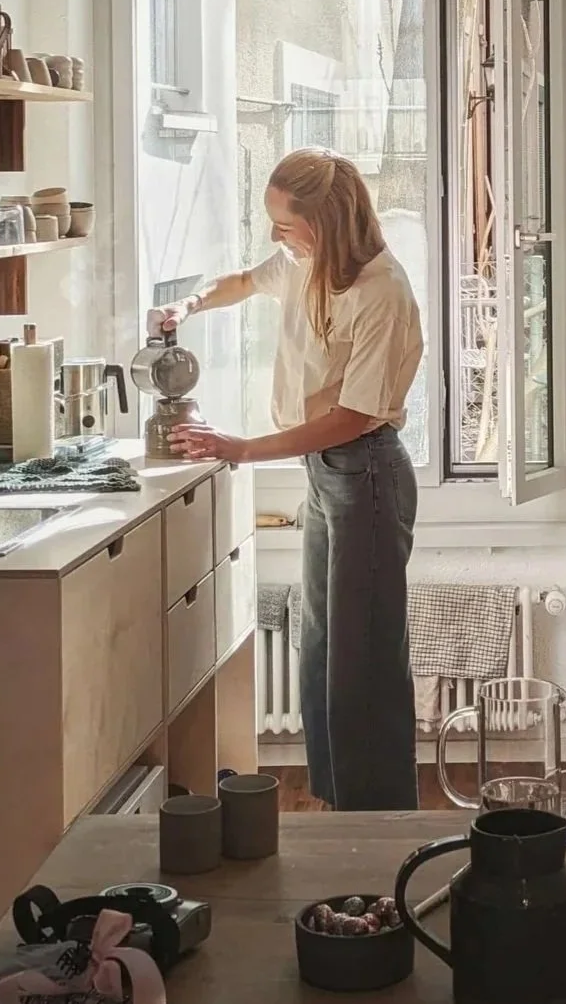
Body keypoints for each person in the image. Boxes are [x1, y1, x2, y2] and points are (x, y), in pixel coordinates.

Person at [159, 148, 422, 811]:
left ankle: (378, 818)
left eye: (285, 224)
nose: (277, 236)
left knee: (363, 661)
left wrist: (241, 448)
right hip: (328, 476)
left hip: (364, 476)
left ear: (327, 222)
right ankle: (341, 808)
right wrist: (186, 305)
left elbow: (351, 418)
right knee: (326, 649)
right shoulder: (309, 264)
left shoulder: (379, 291)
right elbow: (245, 282)